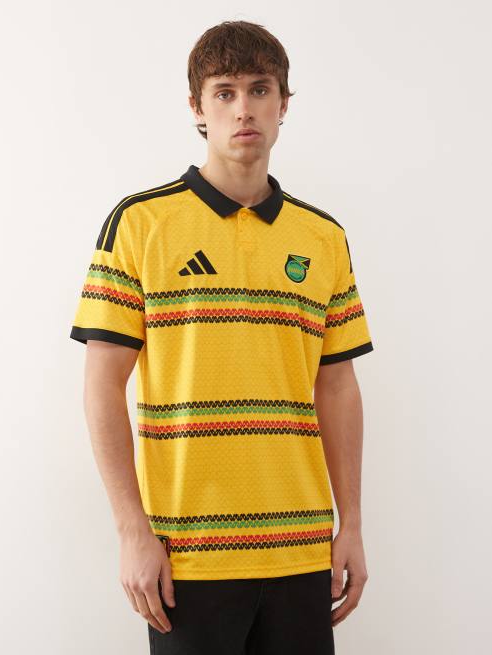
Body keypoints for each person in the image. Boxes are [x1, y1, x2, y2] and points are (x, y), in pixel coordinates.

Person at [70, 19, 374, 655]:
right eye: (225, 91)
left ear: (283, 104)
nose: (244, 109)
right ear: (197, 107)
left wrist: (351, 524)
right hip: (186, 555)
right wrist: (131, 531)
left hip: (302, 549)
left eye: (260, 89)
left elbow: (338, 387)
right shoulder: (140, 224)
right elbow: (102, 384)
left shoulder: (323, 238)